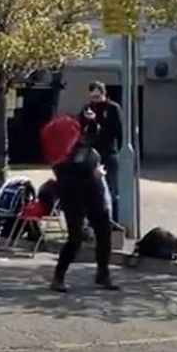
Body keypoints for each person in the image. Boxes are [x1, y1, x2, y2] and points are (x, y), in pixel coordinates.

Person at [42, 116, 120, 293]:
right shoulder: (60, 158)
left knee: (104, 233)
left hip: (94, 194)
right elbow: (69, 178)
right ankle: (59, 276)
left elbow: (93, 134)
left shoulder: (82, 145)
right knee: (75, 240)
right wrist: (93, 173)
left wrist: (91, 121)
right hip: (74, 198)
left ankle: (103, 274)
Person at [79, 82, 122, 217]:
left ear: (103, 94)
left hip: (108, 152)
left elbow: (117, 131)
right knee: (91, 189)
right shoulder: (87, 109)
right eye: (92, 98)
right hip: (91, 153)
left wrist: (98, 125)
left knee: (110, 188)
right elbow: (81, 130)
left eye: (97, 97)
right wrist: (88, 121)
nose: (94, 101)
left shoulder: (112, 108)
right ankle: (93, 221)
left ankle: (113, 220)